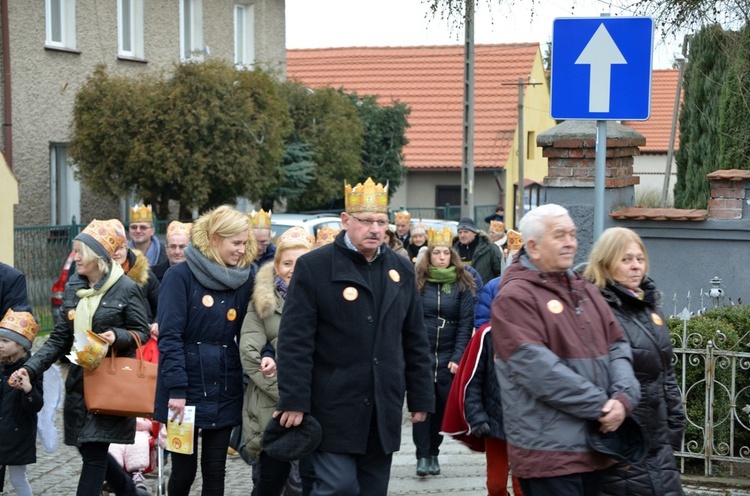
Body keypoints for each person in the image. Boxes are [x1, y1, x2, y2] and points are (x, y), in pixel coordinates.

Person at [274, 177, 434, 496]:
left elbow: (415, 339)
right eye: (366, 221)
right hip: (331, 405)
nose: (375, 228)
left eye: (381, 221)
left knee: (373, 489)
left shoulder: (401, 270)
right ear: (346, 221)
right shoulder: (314, 267)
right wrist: (293, 398)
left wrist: (421, 396)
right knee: (337, 487)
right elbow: (295, 341)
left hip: (382, 407)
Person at [490, 204, 641, 496]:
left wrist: (623, 397)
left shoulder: (585, 289)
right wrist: (601, 406)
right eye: (560, 235)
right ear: (532, 246)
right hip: (550, 455)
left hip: (598, 447)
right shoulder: (514, 298)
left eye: (573, 234)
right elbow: (540, 371)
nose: (571, 242)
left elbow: (618, 344)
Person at [12, 219, 151, 496]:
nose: (75, 257)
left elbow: (141, 331)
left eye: (79, 252)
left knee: (94, 452)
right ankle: (127, 490)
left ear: (97, 257)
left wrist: (116, 335)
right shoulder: (74, 285)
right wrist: (31, 368)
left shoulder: (125, 288)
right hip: (80, 380)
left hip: (110, 383)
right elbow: (60, 338)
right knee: (85, 445)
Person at [154, 205, 257, 496]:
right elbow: (170, 336)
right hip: (183, 391)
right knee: (184, 472)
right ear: (214, 239)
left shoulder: (243, 279)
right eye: (235, 243)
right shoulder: (180, 276)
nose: (241, 250)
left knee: (215, 471)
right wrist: (176, 389)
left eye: (244, 243)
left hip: (224, 385)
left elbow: (251, 329)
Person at [584, 227, 685, 496]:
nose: (635, 266)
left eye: (639, 259)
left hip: (658, 443)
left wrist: (676, 423)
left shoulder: (649, 307)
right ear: (605, 263)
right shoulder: (599, 308)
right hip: (624, 442)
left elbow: (667, 373)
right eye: (626, 259)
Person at [240, 226, 315, 496]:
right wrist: (289, 396)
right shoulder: (263, 302)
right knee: (270, 482)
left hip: (316, 407)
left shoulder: (324, 300)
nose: (293, 269)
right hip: (272, 408)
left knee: (311, 481)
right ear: (277, 265)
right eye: (287, 263)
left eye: (301, 262)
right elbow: (251, 354)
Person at [413, 226, 475, 477]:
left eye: (445, 253)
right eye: (436, 252)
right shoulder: (418, 281)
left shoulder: (462, 282)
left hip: (448, 355)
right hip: (422, 354)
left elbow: (465, 323)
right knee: (421, 406)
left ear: (452, 255)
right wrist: (415, 355)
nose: (441, 257)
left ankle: (434, 453)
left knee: (439, 407)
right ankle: (421, 456)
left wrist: (458, 357)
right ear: (429, 255)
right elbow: (411, 321)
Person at [441, 322, 523, 496]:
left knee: (522, 486)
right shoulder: (486, 334)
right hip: (495, 423)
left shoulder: (536, 331)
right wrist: (477, 417)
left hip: (526, 426)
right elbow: (472, 382)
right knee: (495, 485)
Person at [0, 309, 42, 496]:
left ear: (20, 345)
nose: (0, 345)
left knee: (18, 478)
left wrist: (28, 389)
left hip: (17, 432)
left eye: (5, 341)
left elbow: (36, 406)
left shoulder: (31, 370)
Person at [453, 217, 503, 285]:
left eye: (466, 232)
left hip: (485, 292)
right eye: (460, 232)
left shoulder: (490, 248)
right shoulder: (453, 250)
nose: (462, 235)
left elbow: (501, 272)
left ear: (474, 233)